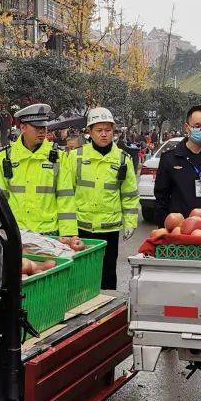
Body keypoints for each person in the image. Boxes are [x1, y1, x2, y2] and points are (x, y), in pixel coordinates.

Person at [69, 107, 140, 290]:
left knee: (107, 276)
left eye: (108, 130)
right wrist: (66, 227)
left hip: (109, 228)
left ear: (113, 132)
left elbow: (130, 195)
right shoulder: (75, 158)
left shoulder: (123, 160)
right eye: (99, 130)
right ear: (89, 132)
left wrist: (130, 222)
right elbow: (66, 194)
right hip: (81, 227)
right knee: (80, 275)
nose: (104, 135)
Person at [0, 103, 77, 238]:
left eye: (43, 127)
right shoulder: (5, 157)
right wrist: (0, 230)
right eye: (37, 127)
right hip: (17, 231)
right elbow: (0, 198)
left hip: (49, 231)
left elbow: (65, 197)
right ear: (23, 127)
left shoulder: (58, 157)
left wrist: (69, 234)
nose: (42, 131)